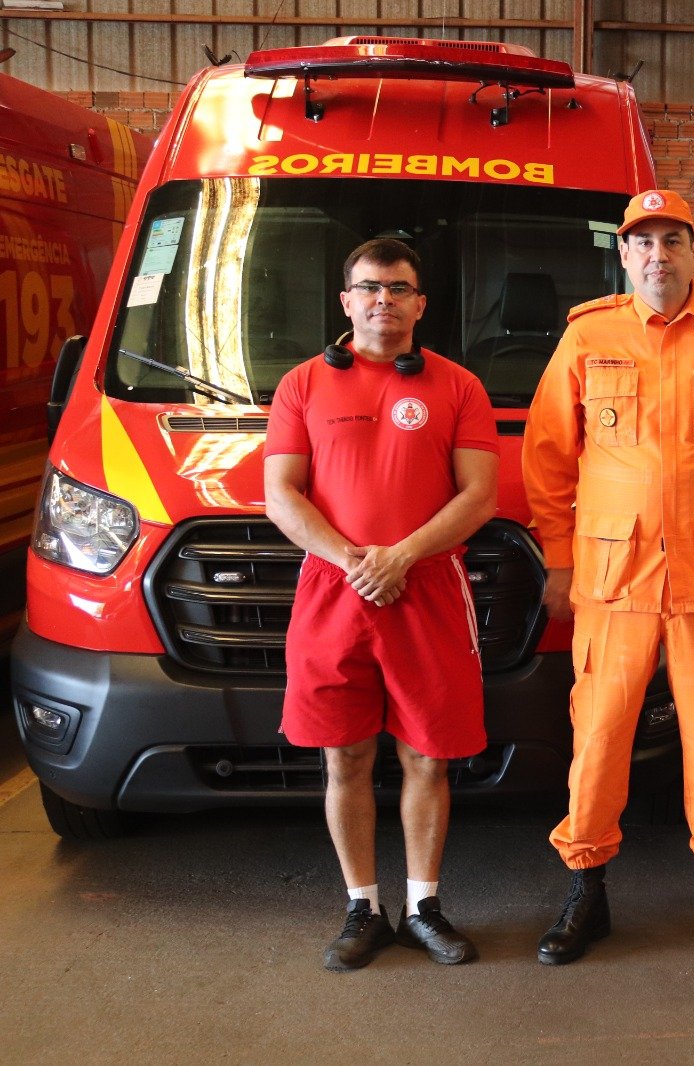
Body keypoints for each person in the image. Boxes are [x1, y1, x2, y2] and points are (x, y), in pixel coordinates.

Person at [522, 189, 694, 966]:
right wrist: (560, 558)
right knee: (600, 734)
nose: (657, 256)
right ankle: (585, 887)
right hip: (615, 576)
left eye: (672, 240)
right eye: (642, 242)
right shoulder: (589, 336)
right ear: (623, 254)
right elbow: (548, 455)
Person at [264, 238, 500, 971]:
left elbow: (480, 496)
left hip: (427, 588)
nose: (382, 301)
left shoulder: (459, 386)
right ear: (345, 301)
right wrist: (354, 561)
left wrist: (400, 557)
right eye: (369, 288)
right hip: (334, 591)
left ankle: (423, 907)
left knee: (428, 756)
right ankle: (362, 907)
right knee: (345, 754)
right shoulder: (301, 385)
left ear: (420, 304)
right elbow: (281, 495)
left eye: (398, 289)